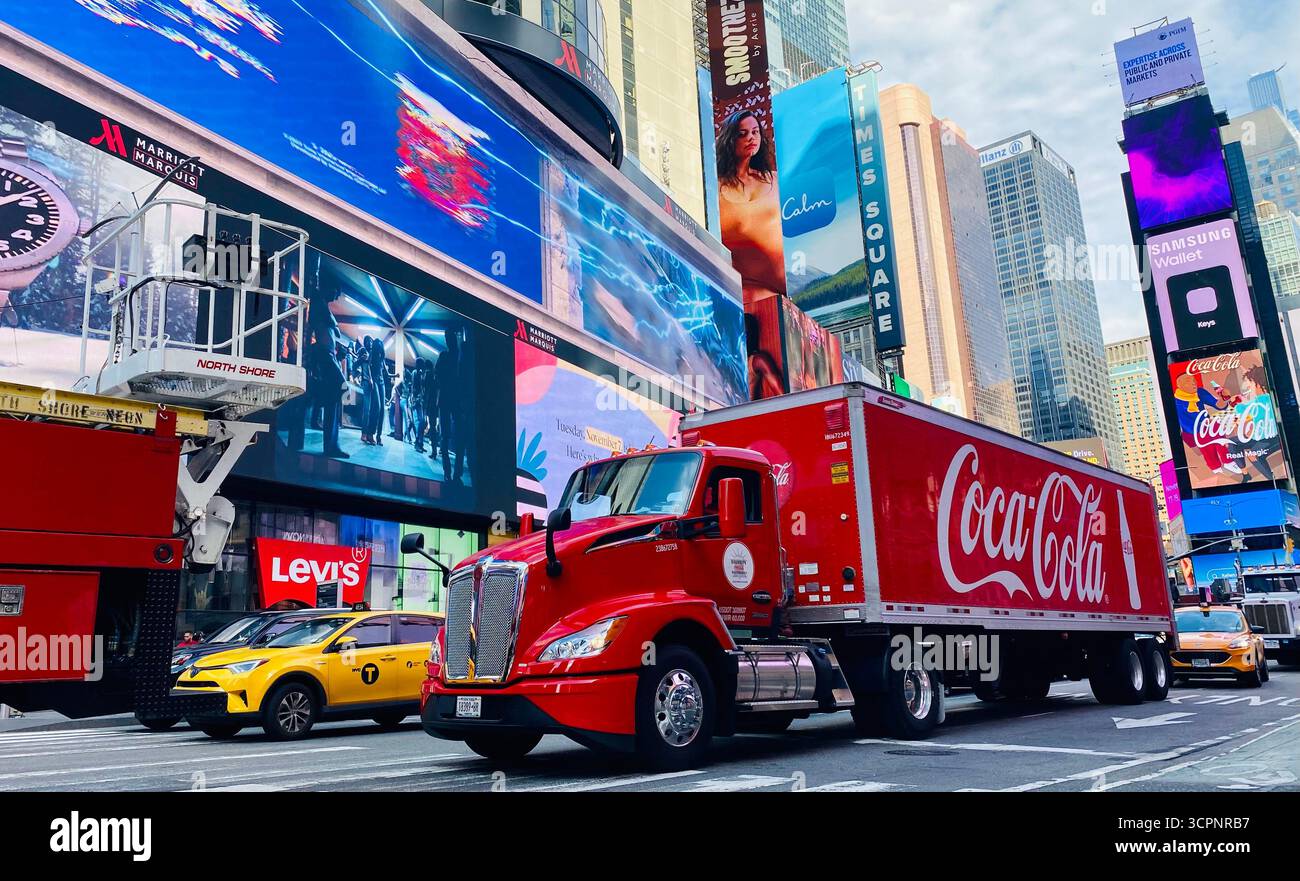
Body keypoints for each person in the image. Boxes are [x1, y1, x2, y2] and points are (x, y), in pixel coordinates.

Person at [716, 110, 786, 303]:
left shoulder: (775, 180)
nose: (751, 138)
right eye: (743, 133)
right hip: (742, 294)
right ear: (730, 140)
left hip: (786, 291)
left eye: (755, 132)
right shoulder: (714, 189)